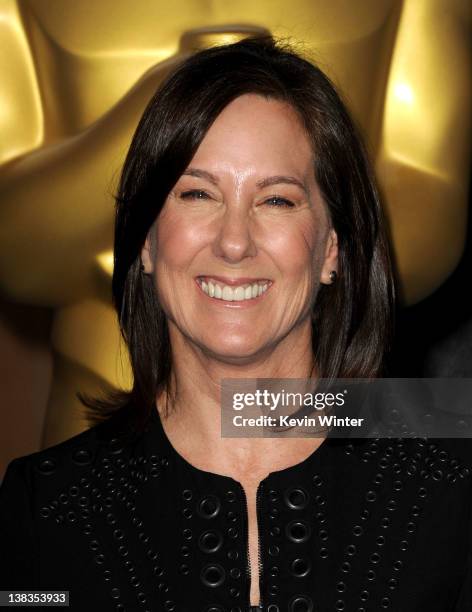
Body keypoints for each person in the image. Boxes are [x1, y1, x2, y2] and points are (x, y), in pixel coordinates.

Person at [0, 36, 470, 612]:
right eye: (197, 194)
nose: (233, 242)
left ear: (332, 251)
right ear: (146, 242)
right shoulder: (43, 509)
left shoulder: (454, 486)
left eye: (277, 201)